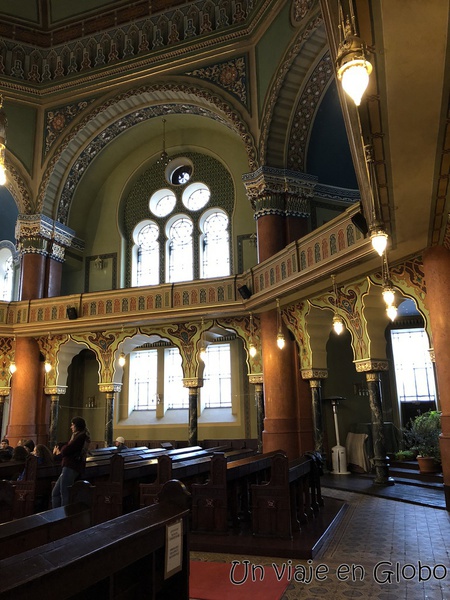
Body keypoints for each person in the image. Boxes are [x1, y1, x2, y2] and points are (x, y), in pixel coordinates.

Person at [51, 416, 91, 508]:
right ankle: (55, 515)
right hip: (69, 466)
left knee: (65, 493)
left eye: (72, 425)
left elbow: (66, 450)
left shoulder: (80, 437)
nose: (71, 427)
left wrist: (61, 449)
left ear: (77, 426)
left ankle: (63, 517)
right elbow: (68, 446)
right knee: (55, 493)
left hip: (71, 467)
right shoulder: (77, 436)